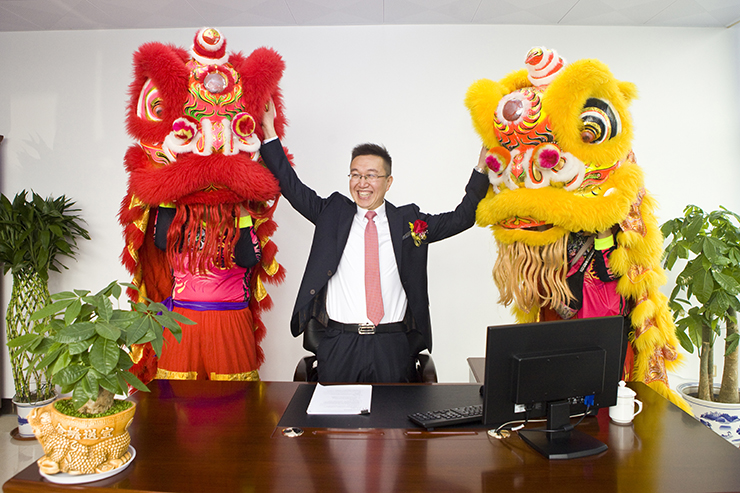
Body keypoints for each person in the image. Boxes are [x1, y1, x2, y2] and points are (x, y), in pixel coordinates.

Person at [260, 100, 489, 383]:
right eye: (355, 175)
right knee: (335, 413)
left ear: (388, 182)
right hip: (339, 343)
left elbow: (462, 218)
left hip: (392, 344)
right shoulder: (332, 214)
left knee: (394, 412)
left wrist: (482, 169)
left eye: (371, 176)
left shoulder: (409, 222)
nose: (362, 183)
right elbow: (291, 187)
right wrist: (269, 130)